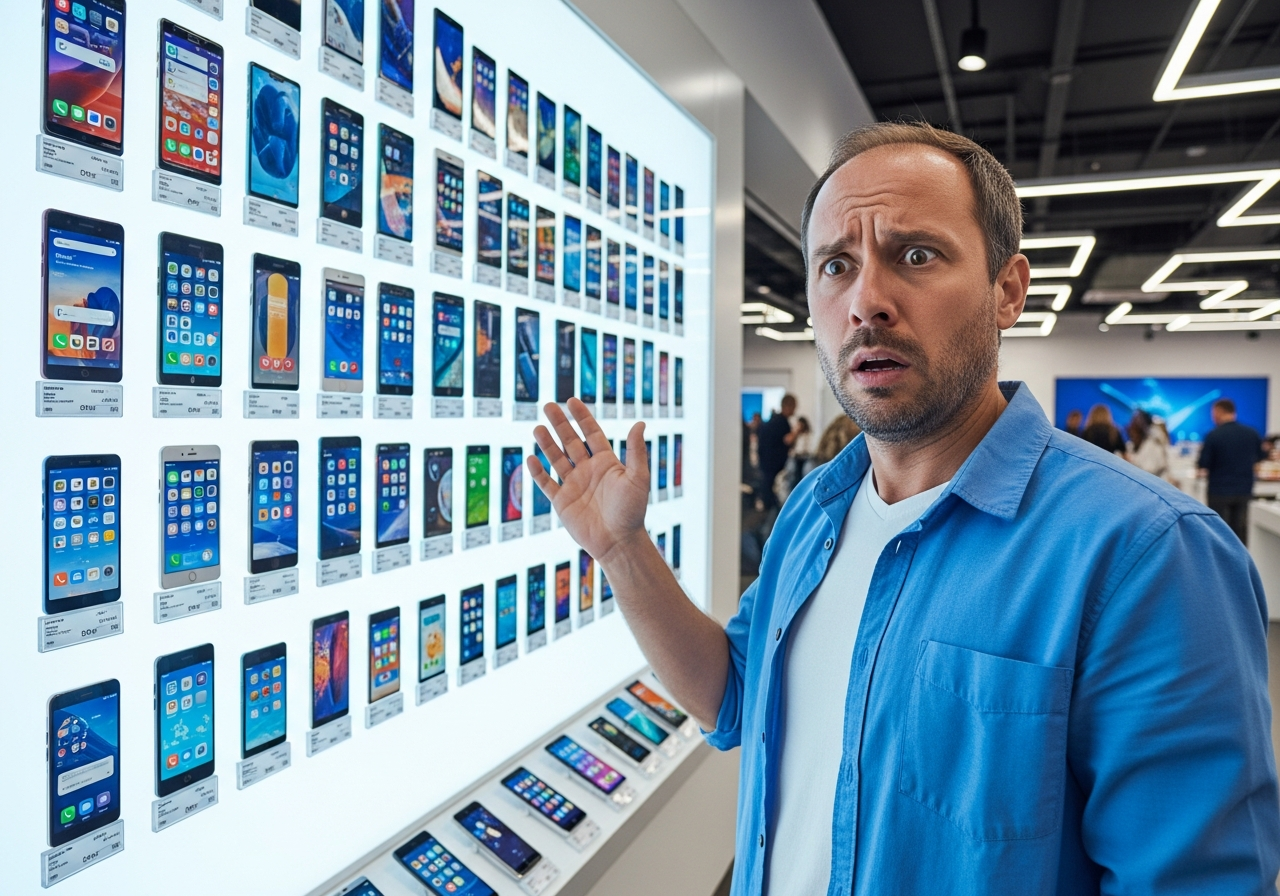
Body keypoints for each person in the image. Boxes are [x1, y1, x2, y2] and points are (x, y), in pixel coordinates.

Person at [527, 121, 1278, 895]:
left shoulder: (1147, 554)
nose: (867, 302)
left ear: (1007, 290)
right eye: (836, 266)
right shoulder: (815, 512)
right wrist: (622, 551)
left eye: (916, 255)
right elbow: (733, 697)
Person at [1198, 397, 1264, 543]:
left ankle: (1222, 564)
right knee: (1241, 530)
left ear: (1218, 412)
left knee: (1219, 531)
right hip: (1244, 490)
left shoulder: (1214, 435)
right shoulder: (1251, 433)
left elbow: (1204, 463)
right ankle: (1241, 563)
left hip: (1219, 490)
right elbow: (1260, 456)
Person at [755, 395, 799, 511]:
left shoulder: (772, 420)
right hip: (774, 464)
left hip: (766, 462)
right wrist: (797, 431)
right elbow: (787, 440)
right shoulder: (782, 423)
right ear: (789, 406)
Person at [1125, 409, 1168, 478]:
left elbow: (1150, 467)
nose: (1133, 423)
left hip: (1153, 481)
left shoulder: (1154, 441)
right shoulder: (1133, 444)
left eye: (1137, 419)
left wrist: (1131, 460)